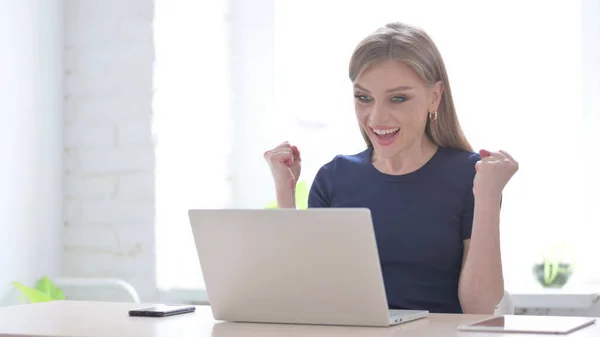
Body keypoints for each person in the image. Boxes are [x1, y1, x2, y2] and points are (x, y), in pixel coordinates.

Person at [263, 22, 518, 315]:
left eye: (397, 98)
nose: (377, 117)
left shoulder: (471, 177)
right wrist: (285, 192)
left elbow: (481, 309)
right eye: (364, 98)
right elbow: (302, 296)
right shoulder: (334, 178)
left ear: (434, 97)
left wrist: (487, 197)